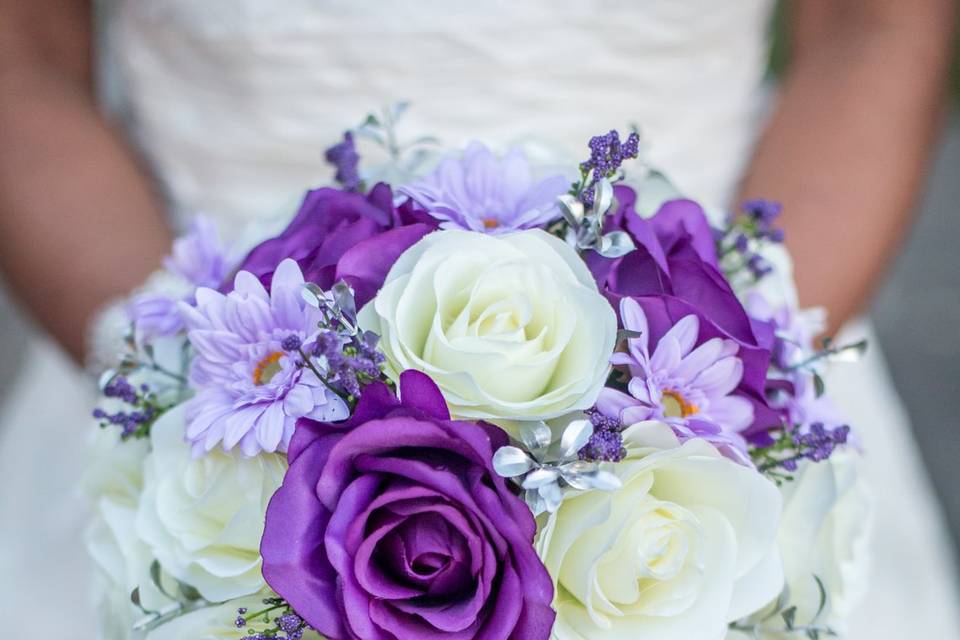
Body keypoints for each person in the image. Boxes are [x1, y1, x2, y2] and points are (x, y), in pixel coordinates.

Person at [0, 0, 957, 637]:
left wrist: (755, 362)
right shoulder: (184, 375)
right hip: (180, 326)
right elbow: (23, 47)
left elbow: (876, 24)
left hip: (708, 360)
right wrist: (163, 373)